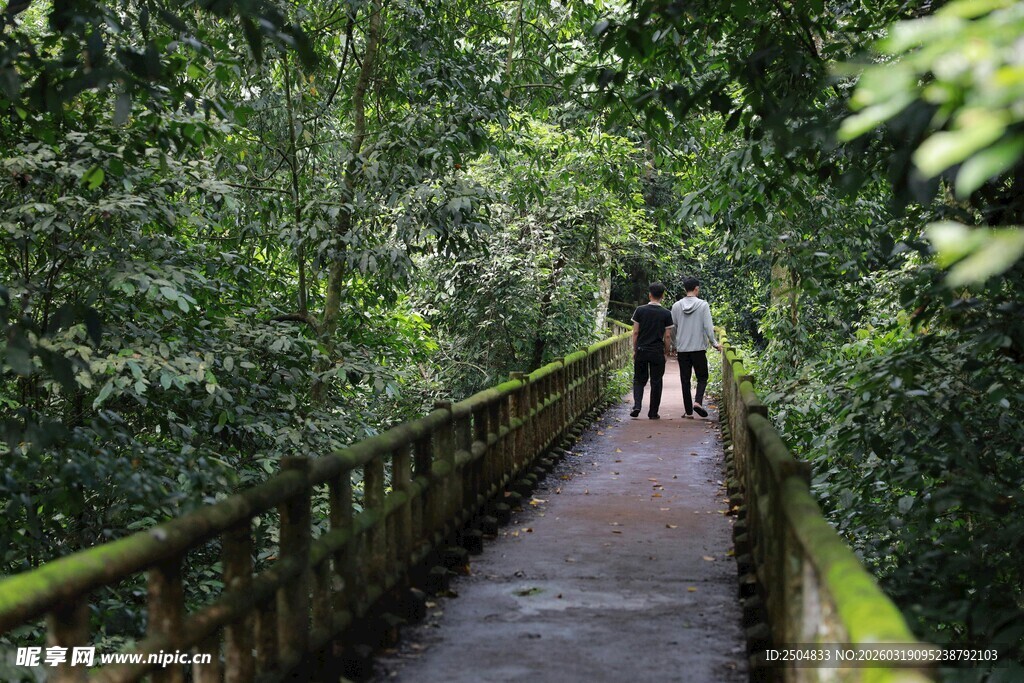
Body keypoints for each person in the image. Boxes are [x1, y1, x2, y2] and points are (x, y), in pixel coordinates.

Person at [671, 277, 722, 418]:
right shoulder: (703, 305)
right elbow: (708, 327)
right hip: (698, 348)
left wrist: (675, 344)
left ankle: (688, 411)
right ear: (696, 288)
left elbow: (673, 328)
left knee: (685, 380)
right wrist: (715, 343)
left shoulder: (676, 306)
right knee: (702, 377)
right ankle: (698, 402)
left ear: (685, 289)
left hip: (683, 350)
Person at [630, 282, 675, 419]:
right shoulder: (666, 313)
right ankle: (653, 412)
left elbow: (635, 333)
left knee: (639, 379)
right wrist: (666, 352)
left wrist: (635, 350)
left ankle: (637, 405)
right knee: (656, 381)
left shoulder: (640, 310)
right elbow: (667, 336)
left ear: (649, 295)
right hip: (657, 351)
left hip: (642, 349)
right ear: (662, 296)